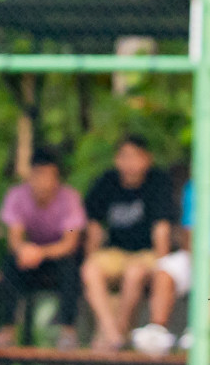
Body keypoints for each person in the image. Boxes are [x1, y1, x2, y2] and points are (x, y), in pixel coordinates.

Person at [81, 135, 174, 349]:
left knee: (134, 272)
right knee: (89, 269)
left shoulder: (158, 183)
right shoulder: (107, 181)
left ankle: (121, 329)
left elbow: (161, 230)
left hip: (145, 255)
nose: (130, 163)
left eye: (135, 157)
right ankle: (111, 331)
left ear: (147, 159)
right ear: (117, 160)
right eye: (125, 157)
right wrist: (90, 255)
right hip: (116, 252)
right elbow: (94, 227)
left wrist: (163, 268)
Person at [0, 149, 85, 348]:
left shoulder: (69, 198)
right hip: (29, 259)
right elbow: (14, 238)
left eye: (48, 176)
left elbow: (70, 243)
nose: (43, 182)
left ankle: (67, 330)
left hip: (57, 258)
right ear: (30, 176)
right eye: (38, 175)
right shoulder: (16, 196)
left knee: (71, 266)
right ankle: (7, 329)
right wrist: (25, 251)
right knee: (9, 264)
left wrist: (41, 253)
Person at [135, 178, 193, 354]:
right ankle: (157, 329)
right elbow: (189, 231)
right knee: (166, 268)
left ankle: (202, 329)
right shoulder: (196, 187)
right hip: (196, 255)